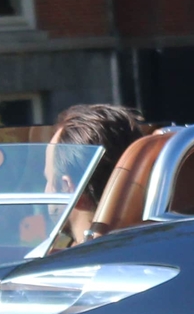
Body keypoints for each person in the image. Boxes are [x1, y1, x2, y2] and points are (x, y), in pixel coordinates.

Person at [45, 102, 153, 246]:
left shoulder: (75, 266)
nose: (45, 191)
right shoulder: (158, 243)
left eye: (47, 179)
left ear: (68, 187)